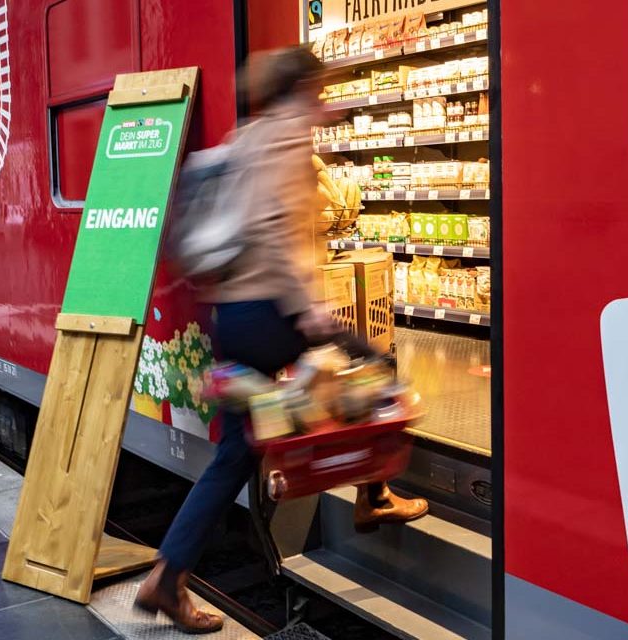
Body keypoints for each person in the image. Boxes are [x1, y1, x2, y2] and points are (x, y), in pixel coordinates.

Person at [134, 46, 427, 634]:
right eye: (320, 91)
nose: (324, 102)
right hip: (272, 311)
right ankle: (372, 495)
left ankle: (166, 579)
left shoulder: (246, 136)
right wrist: (309, 310)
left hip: (234, 314)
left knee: (237, 450)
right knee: (373, 375)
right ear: (305, 91)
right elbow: (271, 229)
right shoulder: (289, 142)